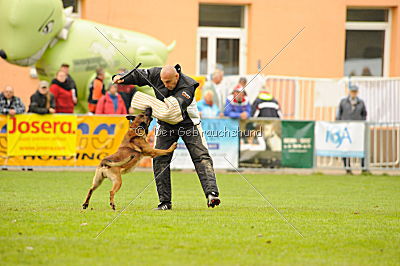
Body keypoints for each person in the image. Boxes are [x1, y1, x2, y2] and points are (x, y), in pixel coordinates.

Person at [113, 64, 220, 210]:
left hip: (189, 124)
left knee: (201, 157)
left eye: (168, 82)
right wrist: (123, 77)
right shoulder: (157, 74)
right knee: (159, 159)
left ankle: (211, 194)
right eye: (163, 82)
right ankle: (164, 202)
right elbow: (139, 74)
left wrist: (149, 104)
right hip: (166, 126)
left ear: (176, 76)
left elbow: (172, 111)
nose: (165, 85)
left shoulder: (188, 85)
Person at [336, 84, 368, 175]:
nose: (353, 93)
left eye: (355, 92)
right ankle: (347, 168)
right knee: (346, 149)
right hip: (346, 129)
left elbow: (364, 114)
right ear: (349, 92)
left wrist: (361, 123)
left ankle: (363, 168)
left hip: (357, 130)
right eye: (352, 91)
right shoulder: (343, 102)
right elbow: (339, 114)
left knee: (360, 148)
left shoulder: (361, 102)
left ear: (357, 92)